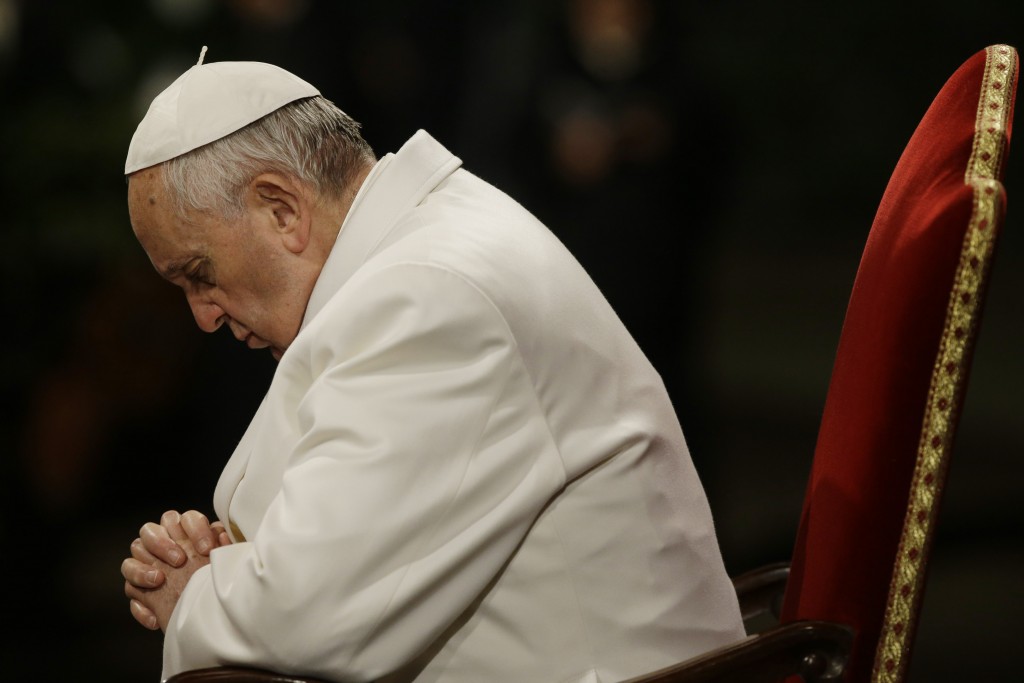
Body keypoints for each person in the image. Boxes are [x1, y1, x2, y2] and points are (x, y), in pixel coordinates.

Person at [119, 49, 745, 683]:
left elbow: (308, 614)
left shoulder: (426, 296)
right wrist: (225, 560)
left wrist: (194, 594)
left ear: (281, 208)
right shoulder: (419, 250)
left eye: (199, 275)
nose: (202, 316)